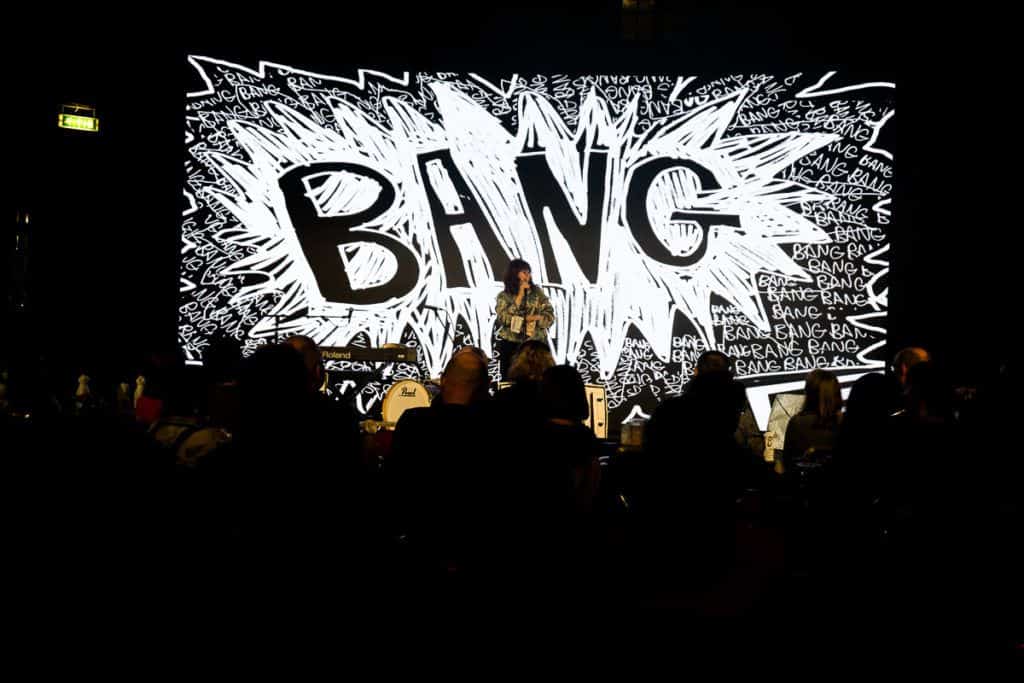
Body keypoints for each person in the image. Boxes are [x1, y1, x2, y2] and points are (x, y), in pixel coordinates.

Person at [495, 259, 554, 381]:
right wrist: (520, 294)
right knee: (510, 379)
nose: (528, 276)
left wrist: (536, 319)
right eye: (524, 272)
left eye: (529, 272)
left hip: (536, 343)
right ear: (514, 273)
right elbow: (504, 319)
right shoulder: (503, 296)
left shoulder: (538, 293)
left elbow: (549, 316)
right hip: (511, 343)